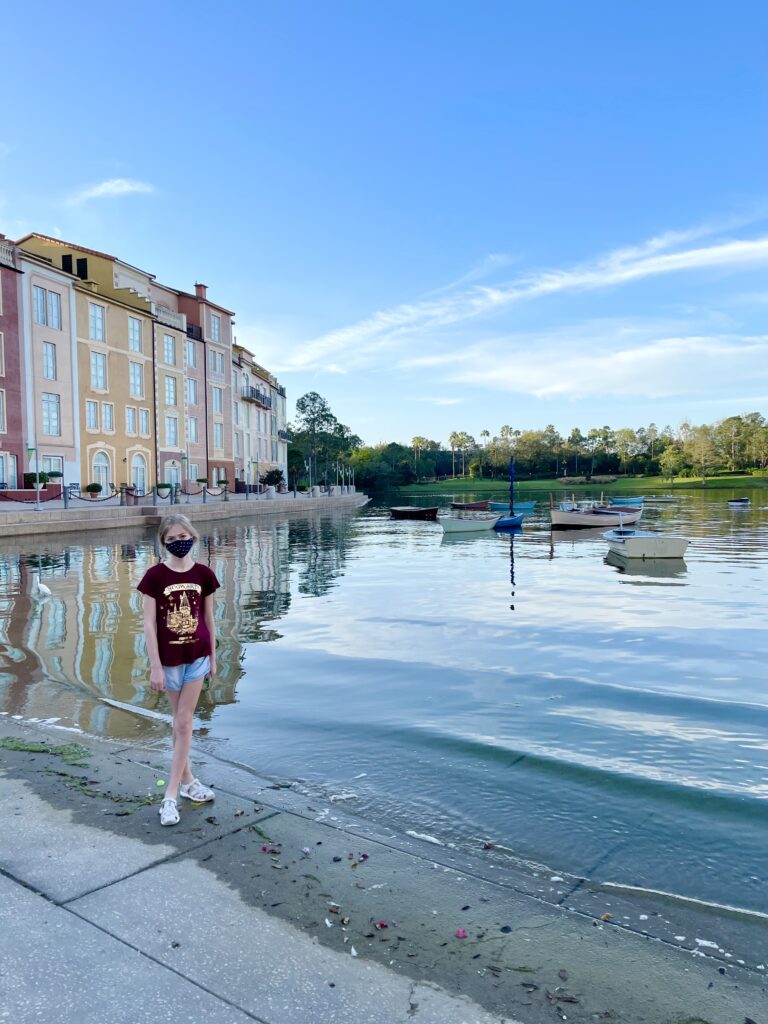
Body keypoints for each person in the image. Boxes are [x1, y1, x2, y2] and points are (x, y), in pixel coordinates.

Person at [138, 514, 220, 826]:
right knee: (180, 723)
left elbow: (210, 619)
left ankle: (169, 795)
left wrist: (213, 657)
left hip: (197, 655)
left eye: (183, 536)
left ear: (193, 536)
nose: (178, 542)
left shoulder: (204, 574)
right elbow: (147, 624)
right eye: (171, 539)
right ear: (163, 543)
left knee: (183, 722)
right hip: (169, 660)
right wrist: (155, 666)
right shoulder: (154, 577)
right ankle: (188, 782)